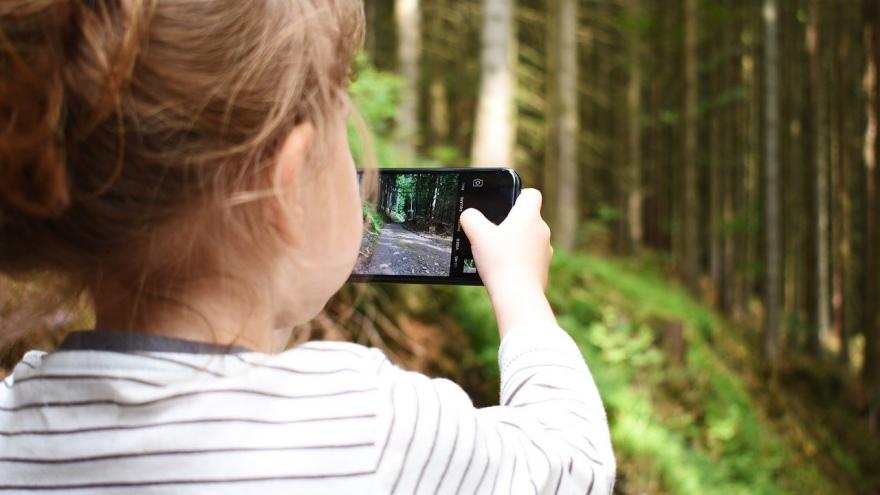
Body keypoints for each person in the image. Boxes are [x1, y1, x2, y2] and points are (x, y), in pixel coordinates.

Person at [0, 0, 615, 493]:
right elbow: (573, 460)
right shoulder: (371, 427)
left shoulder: (13, 423)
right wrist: (520, 292)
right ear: (286, 185)